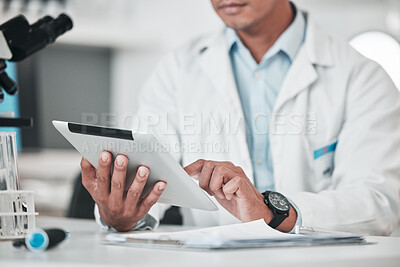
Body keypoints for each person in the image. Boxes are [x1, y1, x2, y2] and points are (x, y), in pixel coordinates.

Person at [80, 0, 400, 235]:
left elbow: (378, 203)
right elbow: (148, 174)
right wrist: (124, 214)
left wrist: (273, 212)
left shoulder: (362, 77)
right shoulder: (178, 71)